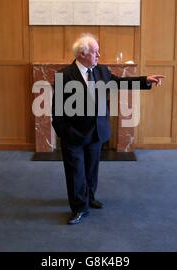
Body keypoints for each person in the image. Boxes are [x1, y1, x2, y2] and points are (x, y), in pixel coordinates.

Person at [51, 34, 164, 225]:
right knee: (75, 172)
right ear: (82, 54)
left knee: (91, 170)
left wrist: (146, 80)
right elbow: (57, 111)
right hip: (74, 135)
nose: (99, 55)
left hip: (96, 132)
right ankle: (79, 207)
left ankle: (90, 197)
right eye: (95, 52)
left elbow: (120, 82)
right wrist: (66, 133)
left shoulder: (101, 71)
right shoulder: (64, 76)